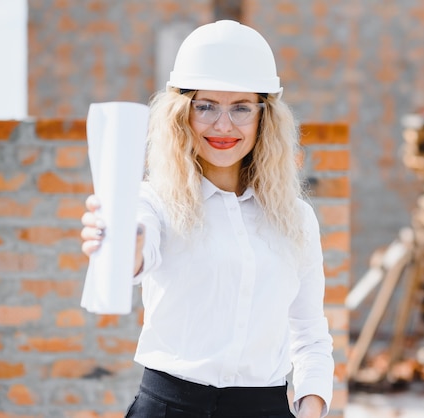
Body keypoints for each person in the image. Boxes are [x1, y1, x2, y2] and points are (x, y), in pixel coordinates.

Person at [80, 20, 334, 418]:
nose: (223, 125)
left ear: (264, 117)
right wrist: (120, 244)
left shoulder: (297, 219)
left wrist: (312, 408)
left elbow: (310, 333)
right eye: (206, 106)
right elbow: (138, 247)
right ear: (183, 113)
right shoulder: (155, 201)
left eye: (241, 108)